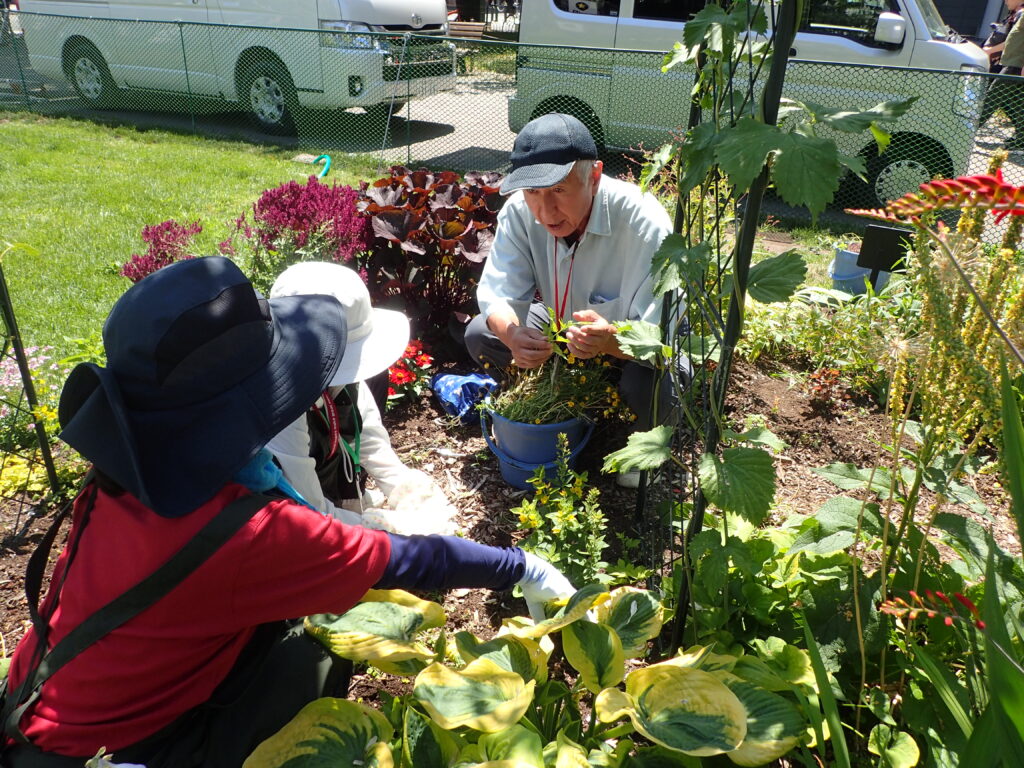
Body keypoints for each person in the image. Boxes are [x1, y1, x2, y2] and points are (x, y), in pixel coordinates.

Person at [0, 257, 573, 768]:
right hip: (117, 749)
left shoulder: (124, 480)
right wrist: (523, 567)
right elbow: (410, 559)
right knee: (320, 652)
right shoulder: (252, 533)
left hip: (32, 702)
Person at [465, 112, 681, 450]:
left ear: (594, 176)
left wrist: (610, 340)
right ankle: (562, 397)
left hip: (634, 351)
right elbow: (498, 294)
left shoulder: (644, 222)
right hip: (565, 336)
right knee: (482, 334)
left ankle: (643, 445)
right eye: (533, 192)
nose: (545, 211)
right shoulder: (518, 213)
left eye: (559, 189)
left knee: (650, 385)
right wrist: (513, 335)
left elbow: (661, 339)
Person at [266, 262, 457, 536]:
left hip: (323, 488)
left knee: (377, 379)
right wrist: (387, 529)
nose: (354, 370)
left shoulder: (344, 377)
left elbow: (369, 438)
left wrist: (406, 490)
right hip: (279, 520)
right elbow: (311, 512)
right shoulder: (279, 406)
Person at [983, 0, 1024, 149]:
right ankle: (1021, 141)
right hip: (1011, 64)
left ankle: (966, 131)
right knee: (1017, 104)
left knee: (991, 98)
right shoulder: (1017, 15)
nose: (1005, 1)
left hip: (1015, 66)